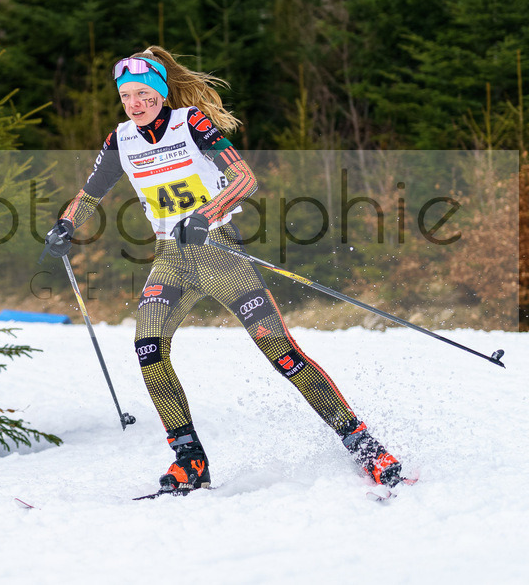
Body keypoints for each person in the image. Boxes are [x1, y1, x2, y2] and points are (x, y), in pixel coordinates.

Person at [43, 46, 404, 493]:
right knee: (148, 347)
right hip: (170, 258)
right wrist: (65, 224)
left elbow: (245, 179)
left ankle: (363, 444)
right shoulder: (121, 139)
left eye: (142, 94)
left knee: (282, 353)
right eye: (125, 97)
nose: (134, 105)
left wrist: (206, 214)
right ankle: (189, 459)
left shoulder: (190, 122)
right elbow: (90, 194)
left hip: (219, 253)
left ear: (159, 93)